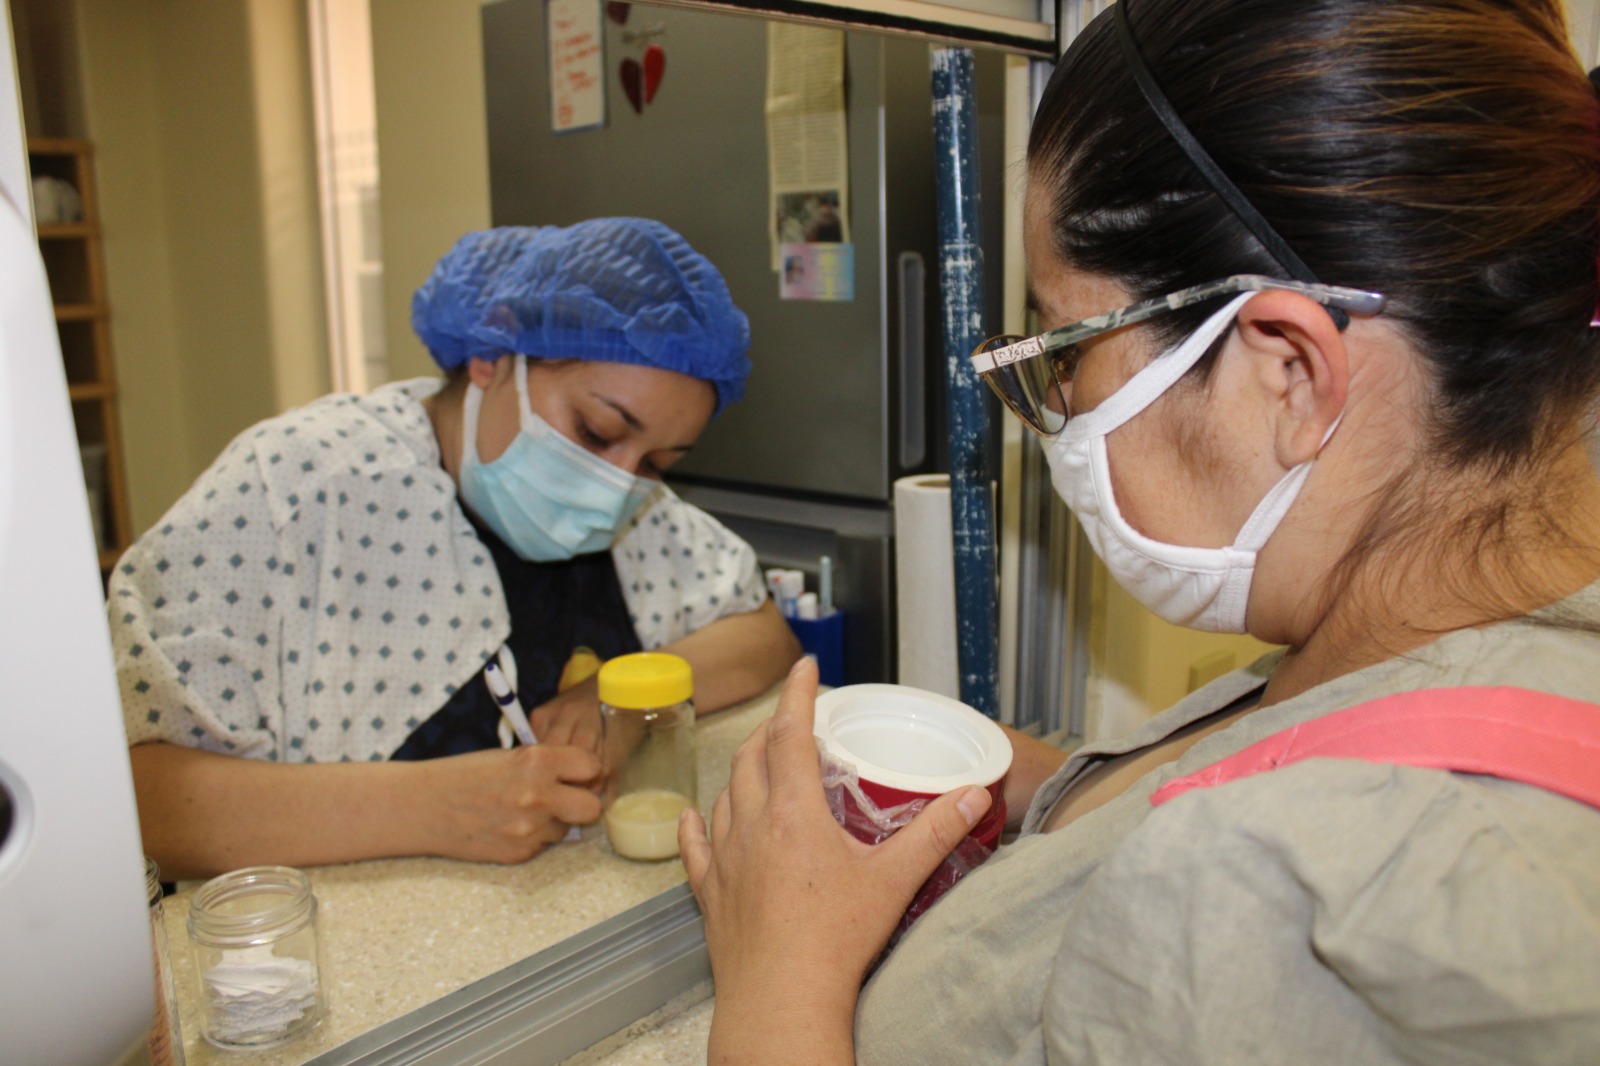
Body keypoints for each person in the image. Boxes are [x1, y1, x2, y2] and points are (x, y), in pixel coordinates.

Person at [680, 1, 1600, 1061]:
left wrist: (778, 976)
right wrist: (1044, 785)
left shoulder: (1330, 885)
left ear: (1287, 374)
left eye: (1066, 350)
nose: (1056, 407)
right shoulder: (1433, 616)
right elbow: (1279, 746)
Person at [114, 217, 799, 880]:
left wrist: (617, 695)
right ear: (491, 359)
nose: (615, 486)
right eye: (594, 431)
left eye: (657, 463)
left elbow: (763, 633)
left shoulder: (639, 516)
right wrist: (436, 809)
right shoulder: (296, 487)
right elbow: (141, 801)